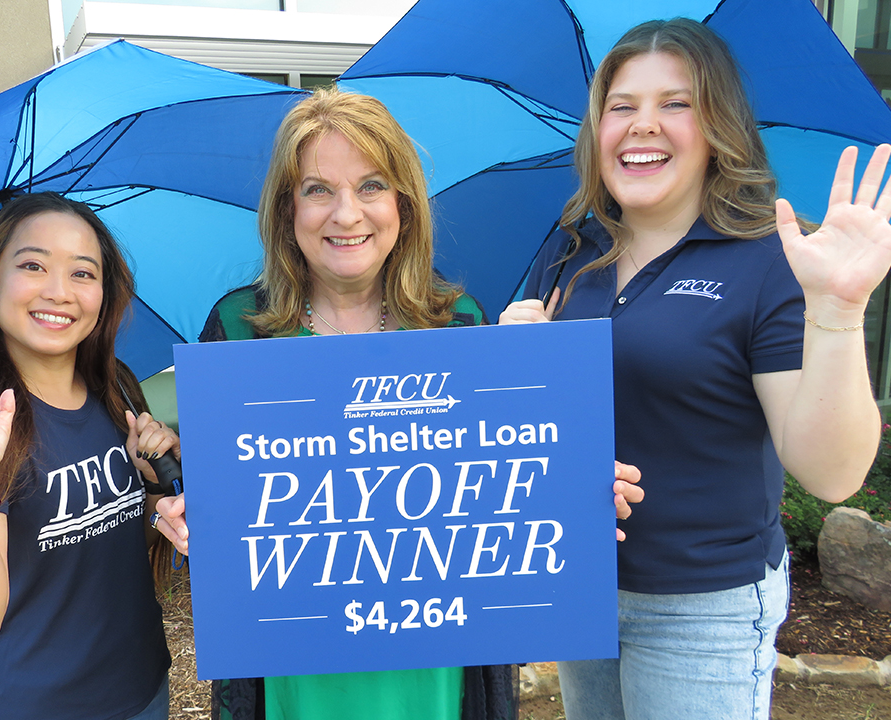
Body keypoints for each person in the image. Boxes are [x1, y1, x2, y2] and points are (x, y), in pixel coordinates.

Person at [152, 87, 643, 720]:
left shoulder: (458, 323)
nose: (346, 214)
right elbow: (232, 501)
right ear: (287, 211)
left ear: (403, 207)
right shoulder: (239, 328)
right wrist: (192, 517)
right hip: (294, 665)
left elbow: (500, 479)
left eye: (372, 186)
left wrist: (570, 491)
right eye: (317, 189)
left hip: (437, 663)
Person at [500, 18, 891, 720]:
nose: (642, 125)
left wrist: (837, 310)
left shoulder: (768, 260)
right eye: (621, 107)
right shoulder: (568, 251)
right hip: (583, 584)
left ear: (719, 128)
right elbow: (530, 430)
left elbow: (832, 474)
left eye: (675, 104)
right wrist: (511, 362)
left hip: (700, 610)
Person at [0, 192, 178, 720]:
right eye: (33, 265)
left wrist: (153, 494)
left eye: (83, 273)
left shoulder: (114, 388)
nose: (59, 291)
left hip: (145, 687)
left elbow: (99, 532)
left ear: (105, 293)